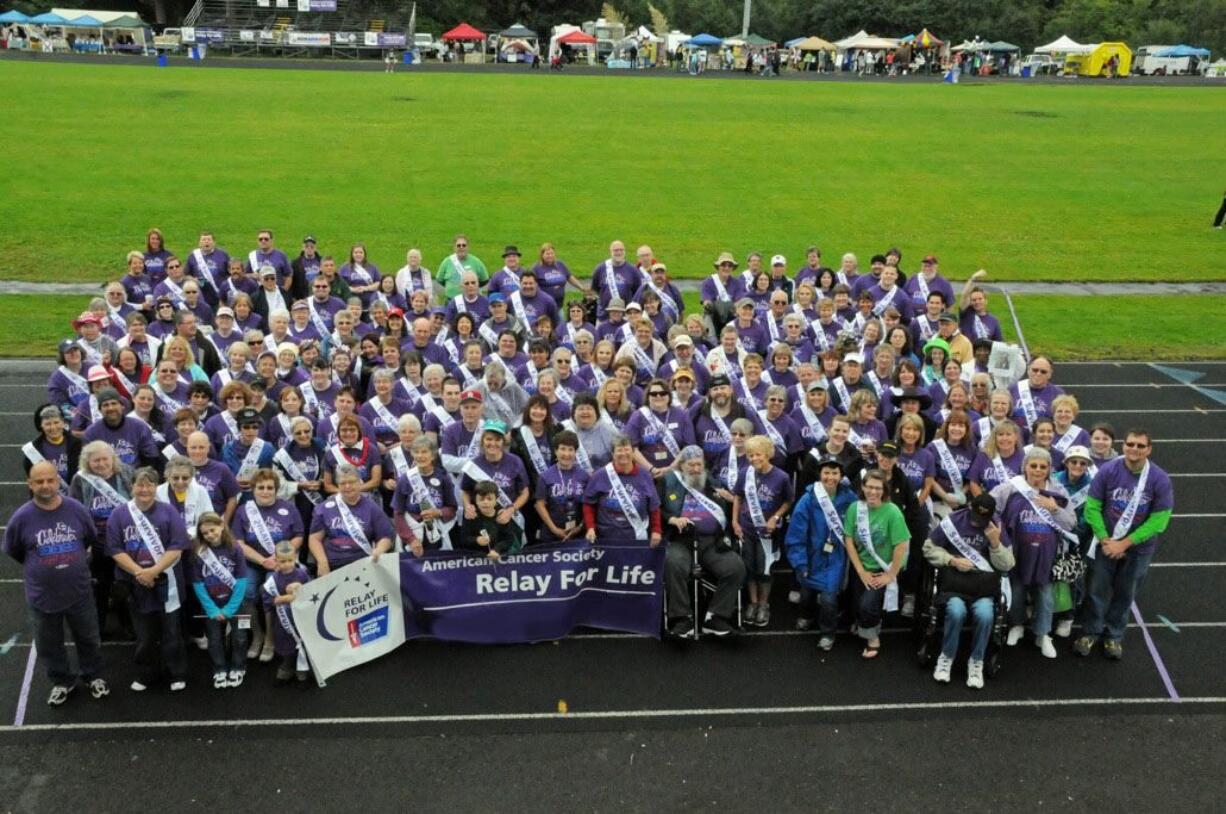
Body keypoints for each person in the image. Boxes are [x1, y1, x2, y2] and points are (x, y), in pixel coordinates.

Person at [5, 462, 110, 705]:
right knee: (48, 644)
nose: (45, 486)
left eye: (50, 480)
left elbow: (90, 539)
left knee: (89, 638)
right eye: (39, 482)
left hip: (79, 591)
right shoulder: (21, 517)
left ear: (57, 482)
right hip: (42, 597)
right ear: (30, 485)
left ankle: (93, 675)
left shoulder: (77, 510)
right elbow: (14, 550)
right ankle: (62, 681)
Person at [1076, 429, 1174, 660]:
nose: (1134, 449)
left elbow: (1159, 520)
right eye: (1131, 444)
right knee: (1095, 590)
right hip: (1105, 544)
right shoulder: (1108, 471)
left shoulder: (1159, 478)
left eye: (1140, 446)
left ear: (1149, 449)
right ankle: (1091, 632)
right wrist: (1104, 539)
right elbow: (1092, 506)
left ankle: (1113, 636)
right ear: (1123, 446)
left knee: (1125, 593)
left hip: (1138, 550)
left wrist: (1125, 543)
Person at [106, 467, 190, 692]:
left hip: (167, 582)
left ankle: (177, 672)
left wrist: (154, 571)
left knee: (172, 632)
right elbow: (114, 549)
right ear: (131, 487)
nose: (144, 489)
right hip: (136, 585)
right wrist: (139, 573)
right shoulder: (120, 514)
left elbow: (178, 546)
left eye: (149, 484)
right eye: (140, 485)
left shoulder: (169, 512)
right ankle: (147, 673)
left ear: (156, 487)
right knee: (144, 634)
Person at [992, 447, 1076, 659]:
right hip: (1018, 551)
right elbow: (990, 508)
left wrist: (1054, 509)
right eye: (1033, 466)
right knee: (1017, 591)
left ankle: (1043, 634)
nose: (1038, 470)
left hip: (1047, 554)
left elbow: (1071, 523)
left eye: (1043, 467)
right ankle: (1017, 625)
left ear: (1049, 469)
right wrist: (1001, 532)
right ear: (1025, 467)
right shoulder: (1010, 488)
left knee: (1045, 596)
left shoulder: (1058, 490)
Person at [922, 494, 1013, 689]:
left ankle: (976, 661)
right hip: (955, 582)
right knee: (956, 612)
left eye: (983, 519)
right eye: (975, 516)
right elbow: (928, 548)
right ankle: (946, 657)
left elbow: (1008, 565)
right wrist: (951, 560)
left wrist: (996, 544)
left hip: (984, 585)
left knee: (986, 615)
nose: (977, 522)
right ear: (970, 507)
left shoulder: (996, 526)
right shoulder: (953, 521)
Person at [660, 446, 742, 637]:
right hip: (681, 540)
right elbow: (656, 509)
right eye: (691, 465)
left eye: (699, 464)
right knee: (673, 564)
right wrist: (671, 519)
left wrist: (732, 500)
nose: (696, 469)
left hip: (711, 542)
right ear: (682, 465)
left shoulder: (712, 481)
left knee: (735, 567)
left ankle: (715, 618)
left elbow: (731, 506)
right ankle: (682, 618)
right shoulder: (668, 481)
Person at [785, 455, 857, 650]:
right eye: (826, 472)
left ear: (841, 475)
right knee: (807, 592)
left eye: (835, 473)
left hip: (836, 557)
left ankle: (827, 633)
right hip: (811, 555)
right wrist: (800, 562)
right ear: (819, 474)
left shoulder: (850, 499)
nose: (830, 477)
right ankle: (806, 616)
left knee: (828, 598)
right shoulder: (808, 499)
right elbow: (796, 535)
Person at [844, 468, 910, 660]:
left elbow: (901, 545)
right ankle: (866, 623)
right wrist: (860, 570)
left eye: (878, 488)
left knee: (867, 605)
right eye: (869, 487)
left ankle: (872, 637)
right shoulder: (855, 508)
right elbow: (848, 539)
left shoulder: (892, 512)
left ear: (884, 490)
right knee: (857, 604)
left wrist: (890, 575)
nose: (873, 492)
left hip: (885, 566)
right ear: (862, 487)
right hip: (862, 566)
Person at [731, 435, 793, 628]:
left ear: (768, 454)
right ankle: (753, 602)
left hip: (768, 532)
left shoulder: (781, 477)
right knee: (749, 567)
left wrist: (775, 517)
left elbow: (788, 501)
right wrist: (735, 522)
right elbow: (738, 498)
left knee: (764, 569)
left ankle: (764, 604)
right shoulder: (744, 473)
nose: (754, 459)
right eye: (750, 455)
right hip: (747, 529)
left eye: (758, 454)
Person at [191, 512, 250, 689]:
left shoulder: (235, 548)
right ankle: (219, 668)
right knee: (214, 639)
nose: (209, 535)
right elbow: (198, 583)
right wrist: (211, 609)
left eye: (212, 530)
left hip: (236, 603)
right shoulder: (198, 552)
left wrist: (231, 608)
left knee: (240, 637)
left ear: (222, 526)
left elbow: (241, 580)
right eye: (205, 533)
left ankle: (239, 666)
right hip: (212, 606)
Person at [308, 463, 395, 576]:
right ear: (338, 485)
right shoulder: (325, 508)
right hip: (333, 565)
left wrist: (379, 550)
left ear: (359, 482)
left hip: (363, 564)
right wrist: (322, 562)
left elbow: (386, 537)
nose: (347, 486)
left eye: (352, 482)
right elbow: (314, 539)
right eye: (343, 483)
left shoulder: (372, 508)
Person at [582, 434, 662, 545]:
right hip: (606, 538)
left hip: (637, 537)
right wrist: (590, 527)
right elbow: (588, 504)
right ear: (612, 454)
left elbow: (654, 507)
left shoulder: (645, 476)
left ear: (633, 452)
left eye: (627, 449)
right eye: (619, 450)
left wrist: (656, 530)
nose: (623, 453)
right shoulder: (600, 475)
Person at [263, 541, 312, 684]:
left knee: (302, 644)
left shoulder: (302, 574)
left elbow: (312, 593)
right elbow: (268, 599)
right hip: (283, 621)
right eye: (282, 561)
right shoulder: (273, 580)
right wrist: (285, 598)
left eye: (290, 560)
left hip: (301, 619)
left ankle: (302, 670)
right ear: (276, 560)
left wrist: (300, 589)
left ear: (295, 557)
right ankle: (287, 667)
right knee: (286, 645)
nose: (286, 564)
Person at [459, 481, 523, 559]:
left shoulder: (502, 515)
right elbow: (463, 539)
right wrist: (476, 540)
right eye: (481, 499)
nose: (485, 502)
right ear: (476, 500)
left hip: (500, 556)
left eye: (489, 499)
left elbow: (508, 539)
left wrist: (496, 550)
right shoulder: (471, 516)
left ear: (496, 500)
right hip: (476, 558)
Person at [436, 234, 488, 299]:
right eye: (458, 245)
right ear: (454, 247)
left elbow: (484, 280)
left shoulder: (476, 262)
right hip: (451, 300)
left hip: (470, 300)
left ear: (468, 247)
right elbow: (440, 280)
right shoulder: (446, 262)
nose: (461, 247)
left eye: (464, 245)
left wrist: (472, 287)